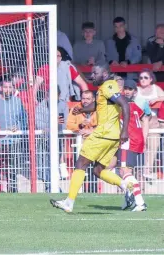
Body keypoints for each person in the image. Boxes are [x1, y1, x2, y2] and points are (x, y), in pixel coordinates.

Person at [51, 64, 134, 213]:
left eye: (95, 73)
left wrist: (125, 130)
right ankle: (126, 187)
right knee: (98, 170)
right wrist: (83, 109)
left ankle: (69, 202)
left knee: (81, 163)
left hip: (104, 133)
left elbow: (124, 104)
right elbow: (98, 105)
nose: (92, 76)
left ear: (105, 73)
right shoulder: (104, 88)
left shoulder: (108, 86)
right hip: (112, 135)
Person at [112, 79, 148, 211]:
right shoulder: (134, 105)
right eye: (125, 88)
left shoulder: (124, 106)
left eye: (130, 89)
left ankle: (139, 202)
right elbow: (145, 118)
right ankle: (128, 198)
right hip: (134, 140)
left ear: (134, 92)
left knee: (124, 171)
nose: (127, 91)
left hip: (129, 141)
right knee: (118, 169)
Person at [134, 70, 164, 180]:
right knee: (140, 145)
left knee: (153, 145)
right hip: (139, 121)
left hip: (153, 121)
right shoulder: (136, 90)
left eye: (146, 77)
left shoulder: (156, 88)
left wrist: (157, 98)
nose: (143, 80)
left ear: (151, 79)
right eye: (141, 77)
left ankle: (147, 169)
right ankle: (135, 171)